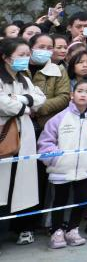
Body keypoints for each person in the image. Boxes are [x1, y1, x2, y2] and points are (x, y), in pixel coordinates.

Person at [37, 80, 87, 249]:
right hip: (61, 170)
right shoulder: (59, 118)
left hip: (86, 169)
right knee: (60, 201)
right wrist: (55, 159)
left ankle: (73, 229)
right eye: (79, 90)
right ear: (72, 94)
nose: (83, 94)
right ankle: (56, 231)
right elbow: (46, 141)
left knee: (81, 200)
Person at [0, 38, 46, 249]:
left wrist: (22, 100)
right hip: (4, 136)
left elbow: (40, 98)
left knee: (21, 185)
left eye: (28, 54)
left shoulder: (25, 79)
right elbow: (4, 104)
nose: (26, 58)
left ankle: (21, 228)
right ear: (6, 57)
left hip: (24, 138)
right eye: (21, 54)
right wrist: (25, 103)